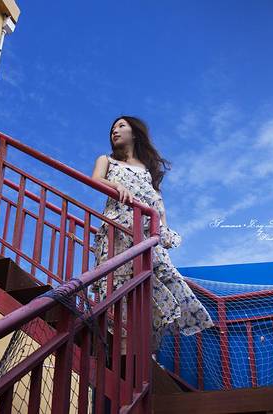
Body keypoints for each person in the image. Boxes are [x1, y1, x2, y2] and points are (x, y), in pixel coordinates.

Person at [90, 115, 214, 353]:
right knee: (118, 283)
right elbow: (95, 179)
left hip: (146, 233)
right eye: (112, 128)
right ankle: (121, 347)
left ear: (134, 133)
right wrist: (117, 186)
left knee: (160, 276)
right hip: (118, 230)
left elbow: (158, 202)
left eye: (121, 126)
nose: (114, 131)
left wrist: (162, 229)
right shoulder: (106, 160)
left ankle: (148, 345)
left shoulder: (146, 170)